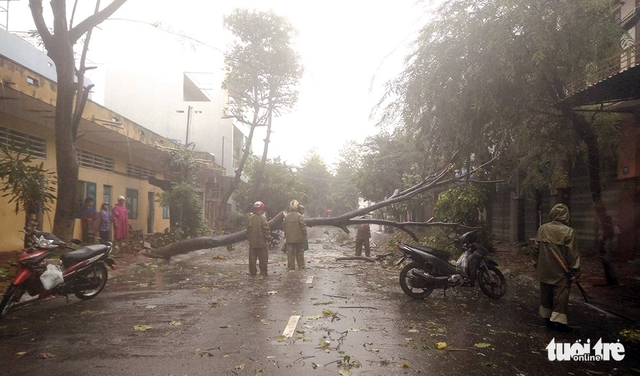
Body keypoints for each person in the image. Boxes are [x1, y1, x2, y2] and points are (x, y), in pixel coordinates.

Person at [533, 203, 580, 333]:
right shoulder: (569, 232)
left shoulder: (543, 229)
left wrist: (536, 264)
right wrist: (575, 270)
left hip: (544, 269)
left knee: (546, 294)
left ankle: (547, 318)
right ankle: (558, 323)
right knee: (560, 297)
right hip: (561, 272)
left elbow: (536, 250)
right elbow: (572, 254)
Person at [247, 201, 270, 277]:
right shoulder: (263, 218)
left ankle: (252, 273)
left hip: (252, 242)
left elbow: (248, 230)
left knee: (252, 259)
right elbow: (266, 229)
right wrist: (268, 238)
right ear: (262, 208)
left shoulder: (250, 218)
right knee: (263, 258)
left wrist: (250, 239)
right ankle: (263, 272)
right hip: (262, 242)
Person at [284, 200, 307, 270]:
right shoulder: (299, 216)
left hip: (289, 239)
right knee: (300, 252)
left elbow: (284, 227)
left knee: (290, 253)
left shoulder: (287, 216)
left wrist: (286, 236)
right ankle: (301, 266)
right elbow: (303, 227)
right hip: (299, 239)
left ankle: (291, 267)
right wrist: (305, 235)